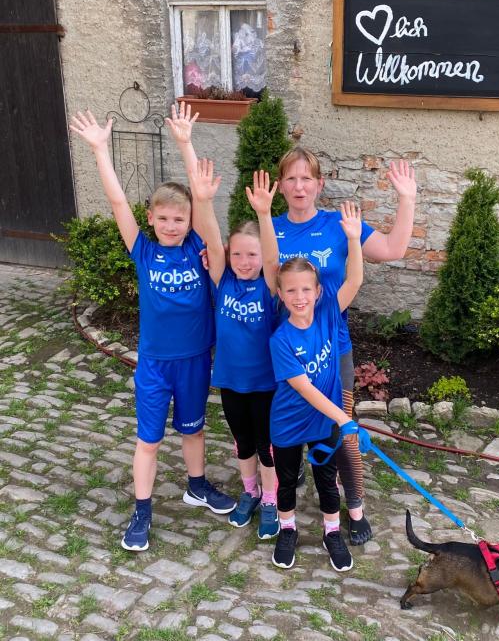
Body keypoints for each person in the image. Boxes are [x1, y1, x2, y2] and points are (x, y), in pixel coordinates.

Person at [173, 114, 417, 544]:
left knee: (340, 425)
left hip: (332, 347)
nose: (299, 186)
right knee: (280, 429)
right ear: (281, 186)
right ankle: (280, 492)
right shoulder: (269, 228)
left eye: (307, 178)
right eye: (291, 178)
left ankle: (354, 505)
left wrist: (407, 198)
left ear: (319, 185)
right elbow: (233, 251)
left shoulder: (339, 226)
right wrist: (190, 153)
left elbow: (394, 249)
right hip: (281, 352)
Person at [69, 110, 235, 552]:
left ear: (189, 221)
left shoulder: (199, 247)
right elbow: (118, 203)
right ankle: (142, 510)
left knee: (194, 430)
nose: (171, 226)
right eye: (163, 219)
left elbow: (202, 199)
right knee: (149, 440)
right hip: (155, 365)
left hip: (195, 360)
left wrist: (185, 142)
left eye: (179, 219)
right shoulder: (142, 251)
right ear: (151, 218)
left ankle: (196, 485)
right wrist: (100, 150)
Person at [265, 195, 367, 572]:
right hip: (290, 422)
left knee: (326, 479)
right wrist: (344, 418)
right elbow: (304, 387)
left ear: (318, 292)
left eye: (306, 289)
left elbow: (354, 279)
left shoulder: (328, 313)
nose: (300, 297)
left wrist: (353, 239)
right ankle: (287, 529)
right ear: (281, 294)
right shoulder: (280, 340)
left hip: (324, 421)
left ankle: (332, 533)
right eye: (291, 290)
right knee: (286, 481)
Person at [185, 157, 281, 540]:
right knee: (242, 442)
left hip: (265, 384)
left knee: (266, 445)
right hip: (230, 380)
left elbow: (272, 258)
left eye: (251, 255)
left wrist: (264, 214)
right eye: (237, 254)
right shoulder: (222, 279)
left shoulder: (269, 287)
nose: (244, 262)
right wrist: (204, 201)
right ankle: (250, 492)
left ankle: (271, 499)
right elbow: (210, 238)